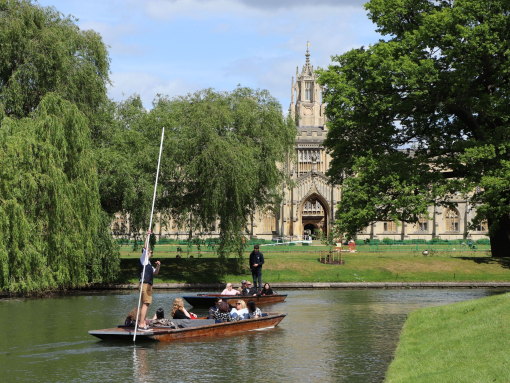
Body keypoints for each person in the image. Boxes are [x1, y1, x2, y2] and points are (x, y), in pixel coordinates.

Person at [138, 232, 161, 331]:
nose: (149, 253)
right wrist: (147, 236)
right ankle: (141, 324)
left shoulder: (149, 263)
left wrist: (158, 266)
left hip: (147, 285)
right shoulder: (144, 259)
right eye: (148, 252)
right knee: (145, 304)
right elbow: (145, 247)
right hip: (145, 284)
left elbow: (155, 273)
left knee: (145, 304)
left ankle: (143, 322)